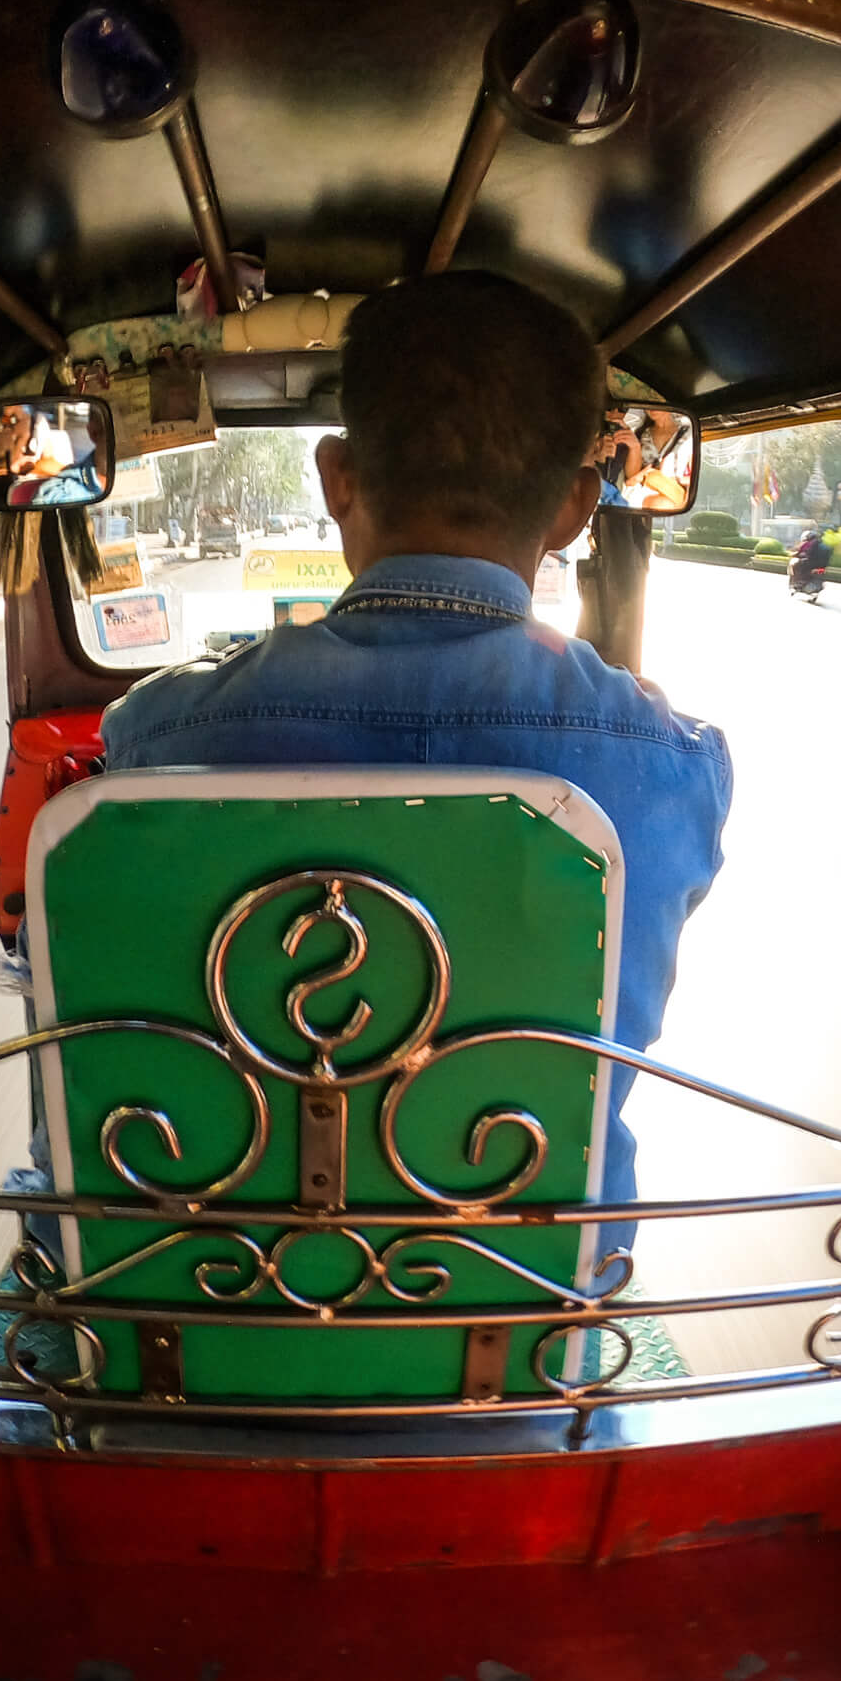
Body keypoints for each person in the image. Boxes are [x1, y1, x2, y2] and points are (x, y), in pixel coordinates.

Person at [100, 271, 733, 1248]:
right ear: (573, 507)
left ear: (336, 476)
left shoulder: (154, 741)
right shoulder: (672, 766)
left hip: (179, 1321)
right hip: (526, 1331)